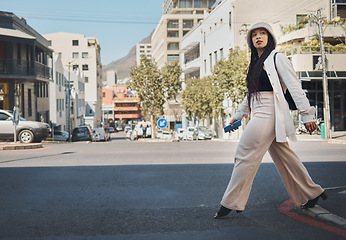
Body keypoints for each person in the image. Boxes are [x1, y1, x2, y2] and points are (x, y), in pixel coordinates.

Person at [214, 22, 327, 219]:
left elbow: (294, 86)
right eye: (254, 34)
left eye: (263, 33)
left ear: (270, 37)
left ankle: (231, 202)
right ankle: (312, 192)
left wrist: (307, 114)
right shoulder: (255, 63)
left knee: (244, 154)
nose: (258, 37)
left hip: (269, 111)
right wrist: (237, 116)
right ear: (250, 40)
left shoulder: (277, 57)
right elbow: (250, 95)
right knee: (286, 158)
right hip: (258, 109)